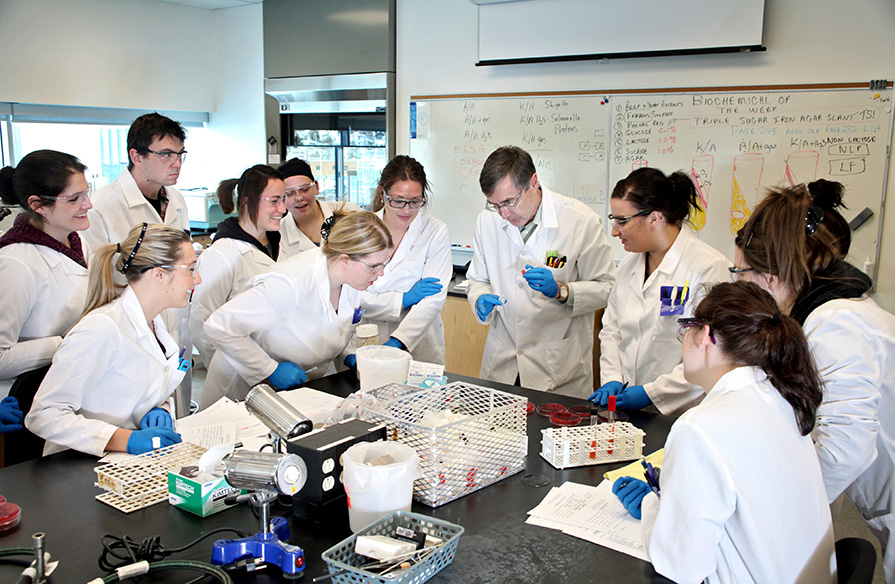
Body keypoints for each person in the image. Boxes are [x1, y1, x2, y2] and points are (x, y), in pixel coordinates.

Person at [613, 281, 836, 584]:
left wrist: (654, 508)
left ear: (705, 334)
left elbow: (680, 567)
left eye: (686, 329)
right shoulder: (781, 399)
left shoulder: (700, 428)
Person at [733, 182, 895, 582]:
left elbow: (845, 449)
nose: (739, 284)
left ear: (770, 275)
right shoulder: (827, 314)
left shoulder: (836, 322)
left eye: (740, 272)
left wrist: (774, 509)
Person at [25, 223, 200, 456]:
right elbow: (42, 415)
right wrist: (125, 439)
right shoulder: (101, 329)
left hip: (128, 465)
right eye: (190, 269)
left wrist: (160, 410)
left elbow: (142, 386)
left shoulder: (155, 323)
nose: (197, 279)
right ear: (158, 274)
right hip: (77, 463)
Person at [201, 210, 392, 408]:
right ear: (344, 260)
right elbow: (219, 326)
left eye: (384, 264)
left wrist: (347, 353)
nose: (380, 273)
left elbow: (338, 323)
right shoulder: (289, 285)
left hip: (291, 391)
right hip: (240, 388)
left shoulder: (350, 280)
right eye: (374, 266)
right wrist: (269, 369)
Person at [466, 146, 615, 398]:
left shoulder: (580, 221)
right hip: (503, 364)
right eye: (494, 205)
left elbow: (607, 287)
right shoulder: (487, 220)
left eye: (509, 202)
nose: (503, 214)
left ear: (533, 182)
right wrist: (479, 297)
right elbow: (477, 279)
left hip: (556, 369)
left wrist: (562, 290)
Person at [591, 168, 730, 414]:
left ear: (655, 218)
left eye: (622, 221)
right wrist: (612, 376)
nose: (614, 231)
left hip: (684, 412)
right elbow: (612, 329)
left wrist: (652, 393)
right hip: (628, 405)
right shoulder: (627, 267)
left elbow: (711, 351)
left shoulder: (707, 268)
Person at [81, 113, 193, 413]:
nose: (177, 163)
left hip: (171, 329)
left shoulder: (177, 200)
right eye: (166, 154)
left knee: (174, 416)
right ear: (136, 156)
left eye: (180, 154)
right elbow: (97, 277)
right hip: (127, 333)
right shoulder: (102, 207)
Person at [0, 150, 92, 399]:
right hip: (29, 398)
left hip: (73, 386)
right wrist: (66, 341)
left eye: (87, 192)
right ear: (37, 205)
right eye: (74, 199)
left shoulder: (78, 241)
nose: (88, 204)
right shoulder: (15, 263)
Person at [189, 165, 286, 368]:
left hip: (274, 360)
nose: (283, 209)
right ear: (247, 201)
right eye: (275, 201)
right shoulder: (222, 253)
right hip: (234, 374)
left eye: (283, 200)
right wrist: (228, 368)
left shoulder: (277, 242)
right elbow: (201, 322)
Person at [359, 155, 451, 364]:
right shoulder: (362, 228)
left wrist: (398, 341)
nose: (407, 210)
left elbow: (432, 300)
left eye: (415, 202)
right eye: (398, 201)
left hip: (417, 343)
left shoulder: (434, 231)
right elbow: (354, 295)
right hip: (369, 336)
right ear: (383, 194)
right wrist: (403, 300)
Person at [277, 158, 360, 260]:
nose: (299, 198)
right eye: (289, 193)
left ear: (316, 187)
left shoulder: (350, 212)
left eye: (305, 189)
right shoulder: (278, 236)